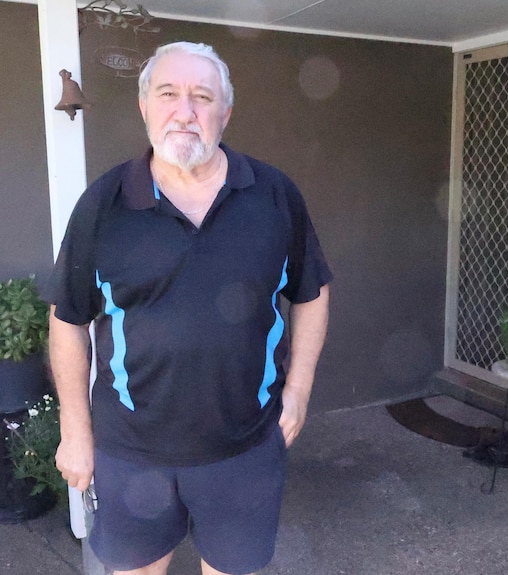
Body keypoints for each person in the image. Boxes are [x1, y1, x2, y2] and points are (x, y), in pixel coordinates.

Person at [46, 41, 331, 575]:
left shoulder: (272, 195)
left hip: (244, 447)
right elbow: (68, 320)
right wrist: (75, 430)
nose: (186, 111)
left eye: (203, 97)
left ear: (225, 112)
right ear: (144, 106)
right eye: (169, 93)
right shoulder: (103, 204)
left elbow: (312, 292)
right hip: (130, 451)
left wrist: (298, 392)